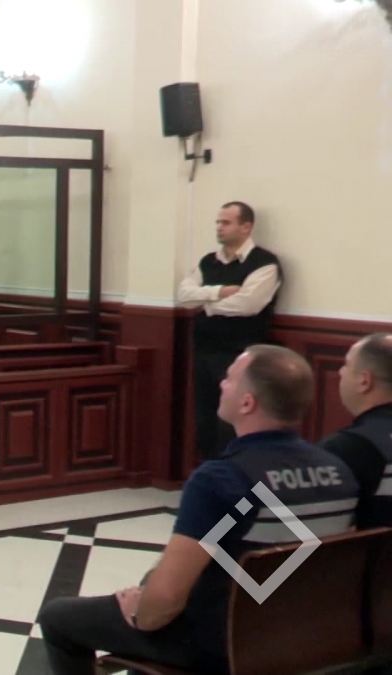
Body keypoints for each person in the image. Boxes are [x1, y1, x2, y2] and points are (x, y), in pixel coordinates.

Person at [38, 345, 359, 674]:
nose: (221, 384)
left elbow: (166, 600)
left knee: (58, 617)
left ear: (247, 402)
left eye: (230, 379)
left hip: (223, 645)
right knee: (153, 582)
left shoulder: (223, 479)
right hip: (306, 637)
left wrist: (138, 613)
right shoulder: (339, 472)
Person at [177, 201, 282, 461]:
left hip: (240, 354)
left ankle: (239, 483)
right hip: (204, 351)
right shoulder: (208, 261)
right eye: (218, 222)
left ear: (246, 227)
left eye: (226, 222)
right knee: (206, 419)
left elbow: (247, 305)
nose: (219, 227)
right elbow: (184, 296)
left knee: (234, 423)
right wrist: (220, 292)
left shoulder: (264, 263)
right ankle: (212, 476)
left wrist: (206, 303)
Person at [321, 333, 392, 529]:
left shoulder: (345, 448)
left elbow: (312, 529)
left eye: (347, 364)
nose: (341, 372)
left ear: (364, 381)